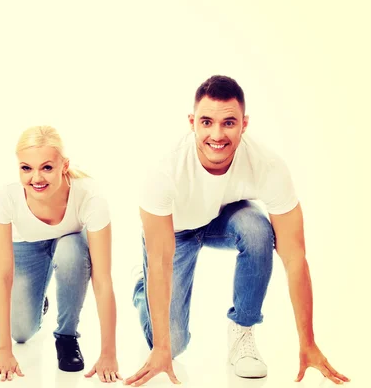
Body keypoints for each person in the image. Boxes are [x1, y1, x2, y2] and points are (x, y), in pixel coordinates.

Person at [125, 76, 350, 386]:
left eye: (229, 123)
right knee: (172, 346)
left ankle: (242, 333)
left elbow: (295, 257)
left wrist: (307, 342)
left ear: (244, 124)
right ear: (192, 122)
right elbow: (162, 259)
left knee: (258, 230)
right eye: (207, 122)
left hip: (222, 218)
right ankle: (142, 290)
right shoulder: (164, 171)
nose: (217, 135)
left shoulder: (268, 166)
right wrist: (162, 349)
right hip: (174, 231)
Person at [0, 125, 121, 383]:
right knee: (21, 333)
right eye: (26, 168)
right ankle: (39, 301)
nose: (36, 178)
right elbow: (2, 276)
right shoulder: (4, 199)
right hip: (26, 247)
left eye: (47, 167)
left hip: (69, 245)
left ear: (64, 165)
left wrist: (109, 352)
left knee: (70, 251)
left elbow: (103, 280)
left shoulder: (90, 197)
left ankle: (67, 336)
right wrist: (4, 349)